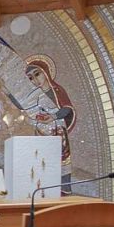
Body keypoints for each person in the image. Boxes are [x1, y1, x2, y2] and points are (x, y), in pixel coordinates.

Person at [7, 57, 76, 190]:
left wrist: (53, 116)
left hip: (57, 132)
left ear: (46, 72)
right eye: (31, 78)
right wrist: (9, 95)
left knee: (61, 163)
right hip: (41, 132)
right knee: (43, 162)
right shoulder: (36, 95)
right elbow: (25, 107)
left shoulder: (56, 90)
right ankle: (44, 190)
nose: (35, 79)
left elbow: (67, 108)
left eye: (37, 74)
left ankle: (64, 191)